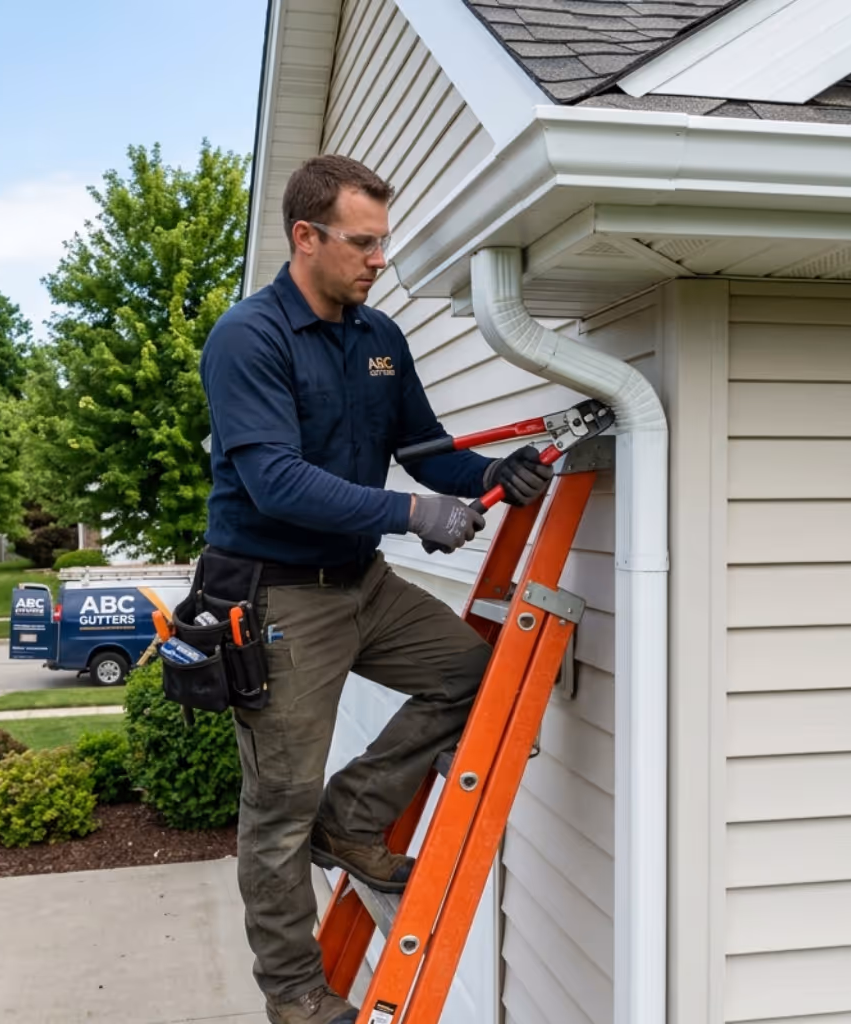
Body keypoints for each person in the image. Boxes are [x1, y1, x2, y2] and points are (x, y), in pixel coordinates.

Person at [198, 154, 554, 1024]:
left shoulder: (378, 338)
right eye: (362, 243)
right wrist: (412, 512)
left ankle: (352, 818)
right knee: (277, 813)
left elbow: (426, 448)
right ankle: (294, 997)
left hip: (364, 582)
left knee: (475, 675)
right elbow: (277, 481)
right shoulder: (249, 339)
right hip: (278, 599)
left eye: (382, 242)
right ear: (306, 237)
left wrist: (487, 476)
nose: (377, 259)